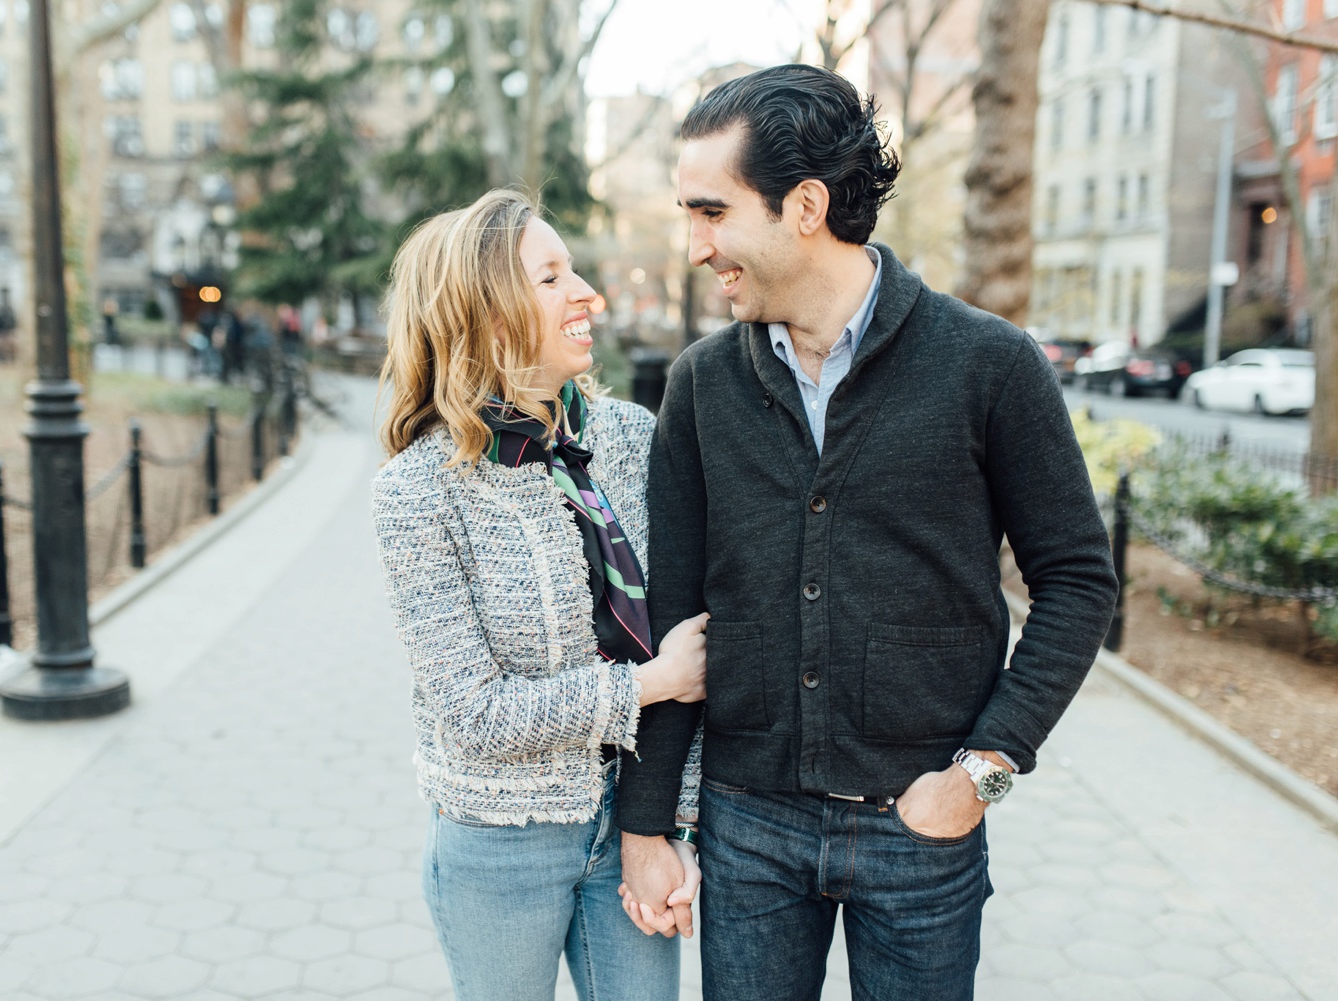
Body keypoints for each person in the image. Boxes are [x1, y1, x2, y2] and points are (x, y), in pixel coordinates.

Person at [616, 64, 1119, 1001]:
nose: (694, 246)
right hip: (748, 827)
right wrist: (647, 825)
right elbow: (673, 614)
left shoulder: (988, 365)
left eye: (712, 212)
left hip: (922, 827)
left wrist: (982, 774)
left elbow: (1079, 581)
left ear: (804, 205)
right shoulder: (701, 384)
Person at [371, 189, 708, 1001]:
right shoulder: (418, 490)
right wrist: (646, 683)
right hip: (499, 841)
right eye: (552, 278)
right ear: (485, 316)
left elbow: (689, 630)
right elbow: (473, 714)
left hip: (630, 818)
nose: (587, 292)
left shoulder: (631, 435)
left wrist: (669, 822)